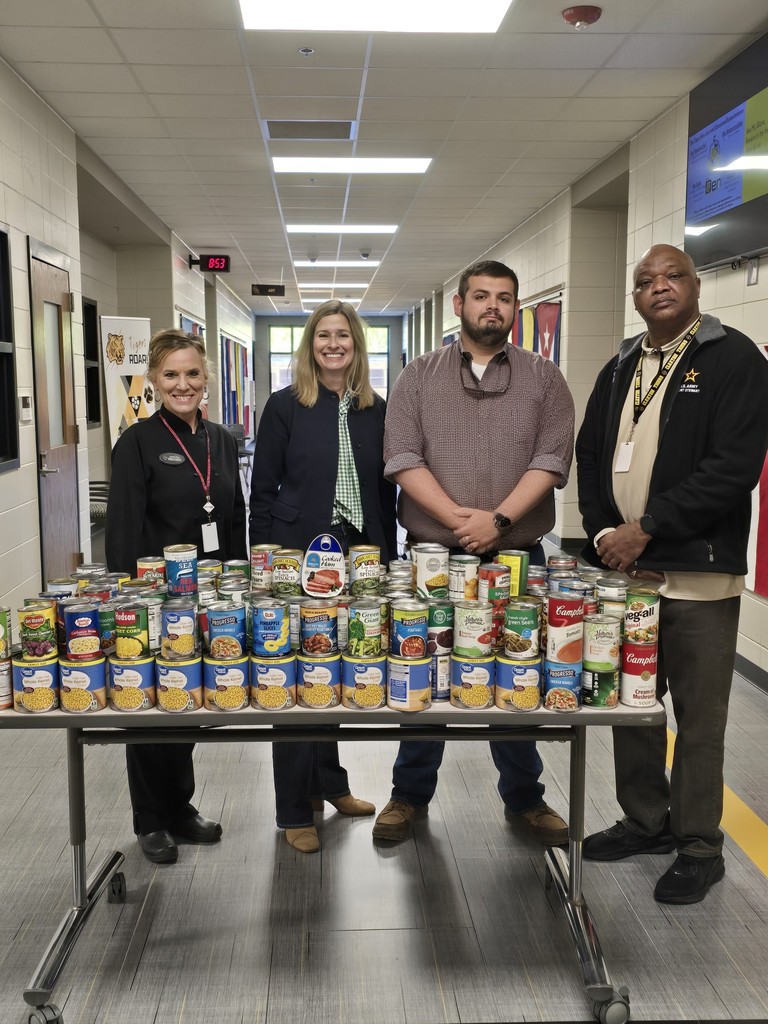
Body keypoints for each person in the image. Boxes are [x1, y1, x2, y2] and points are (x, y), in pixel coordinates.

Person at [575, 244, 768, 904]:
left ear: (694, 285)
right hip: (628, 576)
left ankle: (697, 844)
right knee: (633, 706)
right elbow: (592, 453)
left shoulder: (733, 358)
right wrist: (605, 532)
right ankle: (645, 821)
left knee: (699, 718)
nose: (659, 287)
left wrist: (647, 528)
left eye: (673, 276)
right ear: (635, 297)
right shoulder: (621, 364)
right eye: (645, 281)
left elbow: (731, 468)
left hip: (698, 578)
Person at [374, 259, 574, 844]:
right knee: (423, 669)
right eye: (481, 296)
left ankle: (525, 799)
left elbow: (551, 460)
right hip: (434, 557)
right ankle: (408, 796)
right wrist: (464, 523)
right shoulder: (417, 376)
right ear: (458, 304)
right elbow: (402, 459)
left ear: (516, 309)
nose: (493, 306)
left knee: (516, 674)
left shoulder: (545, 379)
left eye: (505, 298)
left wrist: (500, 520)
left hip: (517, 557)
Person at [249, 299, 397, 853]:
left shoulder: (374, 408)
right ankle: (293, 809)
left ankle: (328, 785)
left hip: (357, 555)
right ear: (310, 346)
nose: (333, 345)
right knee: (291, 672)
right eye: (323, 336)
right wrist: (262, 563)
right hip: (295, 556)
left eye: (343, 336)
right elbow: (261, 490)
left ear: (356, 344)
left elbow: (386, 489)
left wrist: (385, 553)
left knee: (333, 663)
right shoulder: (285, 406)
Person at [106, 328, 247, 865]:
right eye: (171, 375)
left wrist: (237, 587)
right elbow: (121, 531)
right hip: (153, 600)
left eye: (192, 374)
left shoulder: (224, 440)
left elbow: (233, 521)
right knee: (149, 707)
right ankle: (150, 820)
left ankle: (180, 808)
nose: (182, 384)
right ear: (153, 381)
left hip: (210, 595)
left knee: (186, 700)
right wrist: (129, 602)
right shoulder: (136, 443)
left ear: (205, 378)